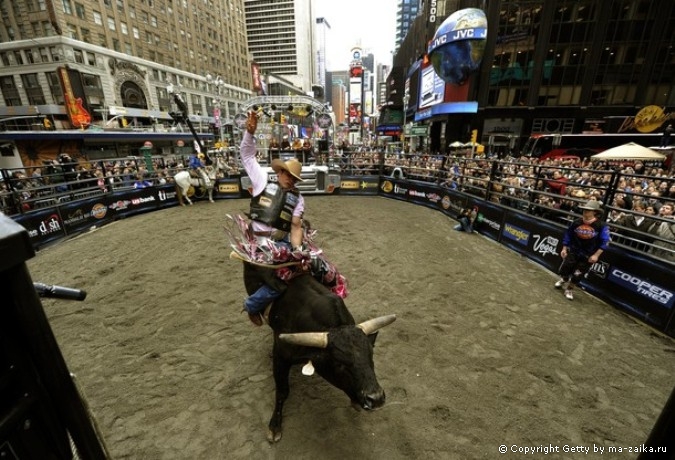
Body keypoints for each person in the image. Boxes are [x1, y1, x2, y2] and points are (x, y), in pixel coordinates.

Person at [240, 111, 305, 326]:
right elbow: (248, 156)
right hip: (260, 241)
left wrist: (297, 250)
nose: (289, 180)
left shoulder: (298, 198)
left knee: (308, 268)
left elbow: (296, 227)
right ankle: (252, 305)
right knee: (280, 280)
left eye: (293, 178)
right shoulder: (261, 180)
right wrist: (250, 134)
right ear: (279, 173)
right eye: (287, 174)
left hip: (283, 242)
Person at [554, 200, 611, 301]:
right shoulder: (577, 222)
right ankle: (564, 279)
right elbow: (568, 235)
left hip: (588, 254)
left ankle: (569, 289)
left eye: (588, 210)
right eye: (585, 210)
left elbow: (605, 242)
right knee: (566, 267)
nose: (585, 212)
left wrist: (596, 255)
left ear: (595, 212)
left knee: (578, 273)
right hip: (574, 250)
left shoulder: (601, 226)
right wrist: (564, 248)